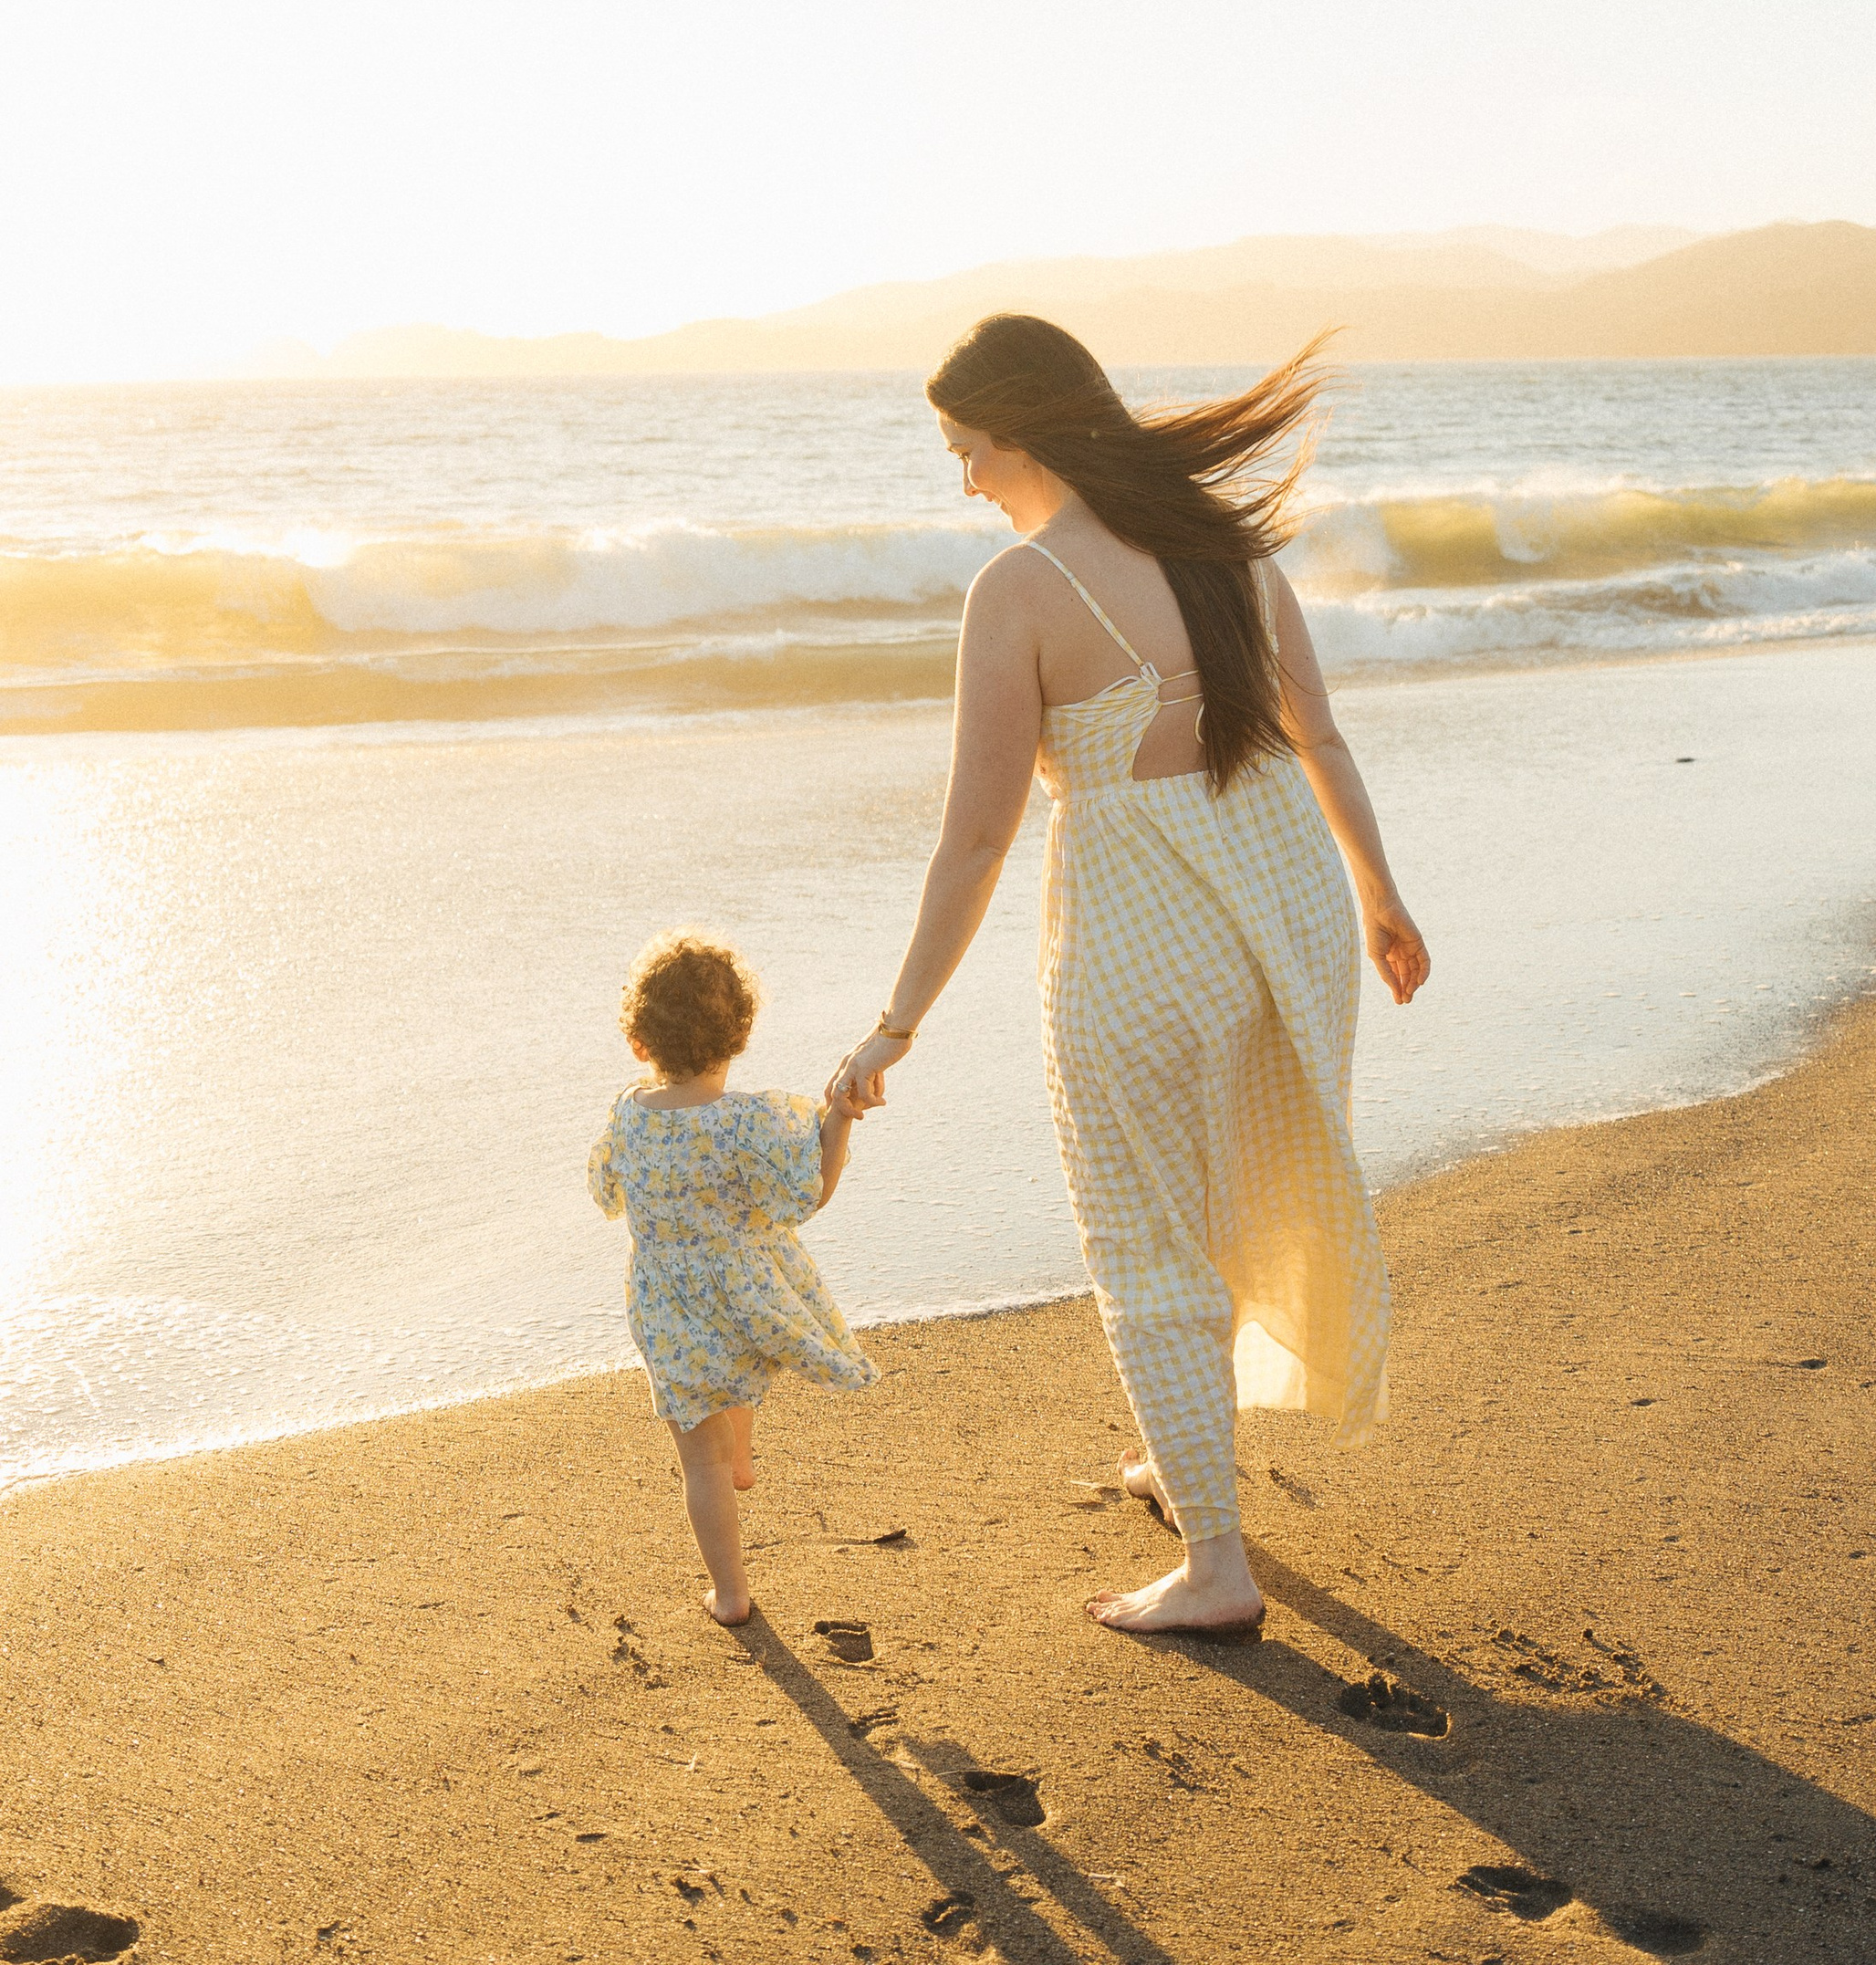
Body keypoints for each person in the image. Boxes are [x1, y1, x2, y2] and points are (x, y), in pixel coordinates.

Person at [829, 316, 1428, 1640]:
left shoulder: (1023, 591)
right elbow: (1315, 733)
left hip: (1141, 931)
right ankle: (1180, 1459)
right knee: (1219, 1195)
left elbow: (977, 834)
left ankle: (1217, 1569)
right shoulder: (1230, 549)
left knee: (1146, 1228)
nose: (966, 481)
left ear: (1021, 434)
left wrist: (895, 1026)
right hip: (1288, 917)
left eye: (967, 451)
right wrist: (1382, 896)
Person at [589, 928, 875, 1625]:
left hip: (667, 1303)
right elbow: (810, 1190)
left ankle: (730, 1591)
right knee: (744, 1358)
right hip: (747, 1289)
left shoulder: (630, 1114)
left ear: (639, 1044)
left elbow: (604, 1191)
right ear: (740, 1035)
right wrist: (839, 1118)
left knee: (701, 1462)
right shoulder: (751, 1121)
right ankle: (739, 1455)